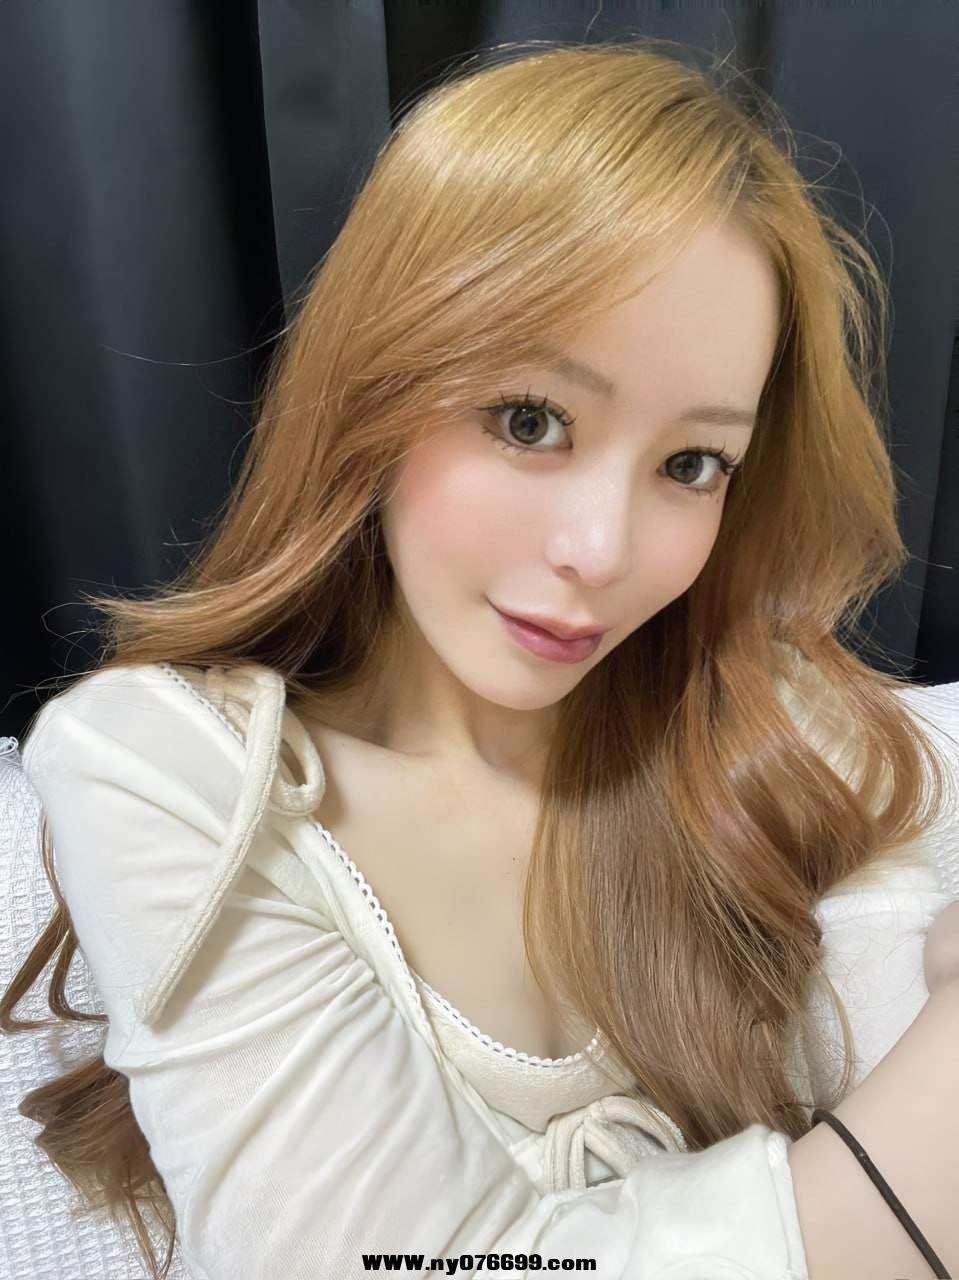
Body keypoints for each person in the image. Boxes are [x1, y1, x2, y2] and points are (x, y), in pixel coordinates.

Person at [3, 37, 958, 1280]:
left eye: (689, 464)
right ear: (375, 384)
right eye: (529, 419)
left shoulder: (770, 725)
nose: (599, 550)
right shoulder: (169, 775)